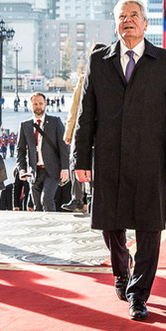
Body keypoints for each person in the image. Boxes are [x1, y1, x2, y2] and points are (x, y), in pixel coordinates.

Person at [72, 0, 166, 322]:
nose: (128, 21)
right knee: (111, 223)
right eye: (122, 16)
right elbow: (86, 115)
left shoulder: (165, 62)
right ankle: (121, 270)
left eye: (134, 15)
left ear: (145, 23)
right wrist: (80, 159)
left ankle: (139, 294)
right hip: (109, 158)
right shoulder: (99, 62)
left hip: (152, 160)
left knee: (150, 227)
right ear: (115, 23)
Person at [61, 43, 106, 213]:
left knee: (97, 166)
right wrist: (69, 131)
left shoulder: (112, 77)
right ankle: (76, 199)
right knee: (76, 161)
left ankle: (94, 200)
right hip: (83, 128)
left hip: (102, 130)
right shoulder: (83, 78)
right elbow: (75, 108)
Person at [16, 92, 69, 212]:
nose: (38, 106)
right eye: (35, 104)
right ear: (31, 105)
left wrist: (65, 168)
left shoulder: (55, 122)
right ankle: (40, 229)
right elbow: (20, 150)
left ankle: (51, 227)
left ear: (45, 104)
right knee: (37, 206)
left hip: (52, 171)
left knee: (46, 200)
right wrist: (22, 169)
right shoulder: (25, 125)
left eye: (40, 104)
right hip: (34, 172)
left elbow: (64, 147)